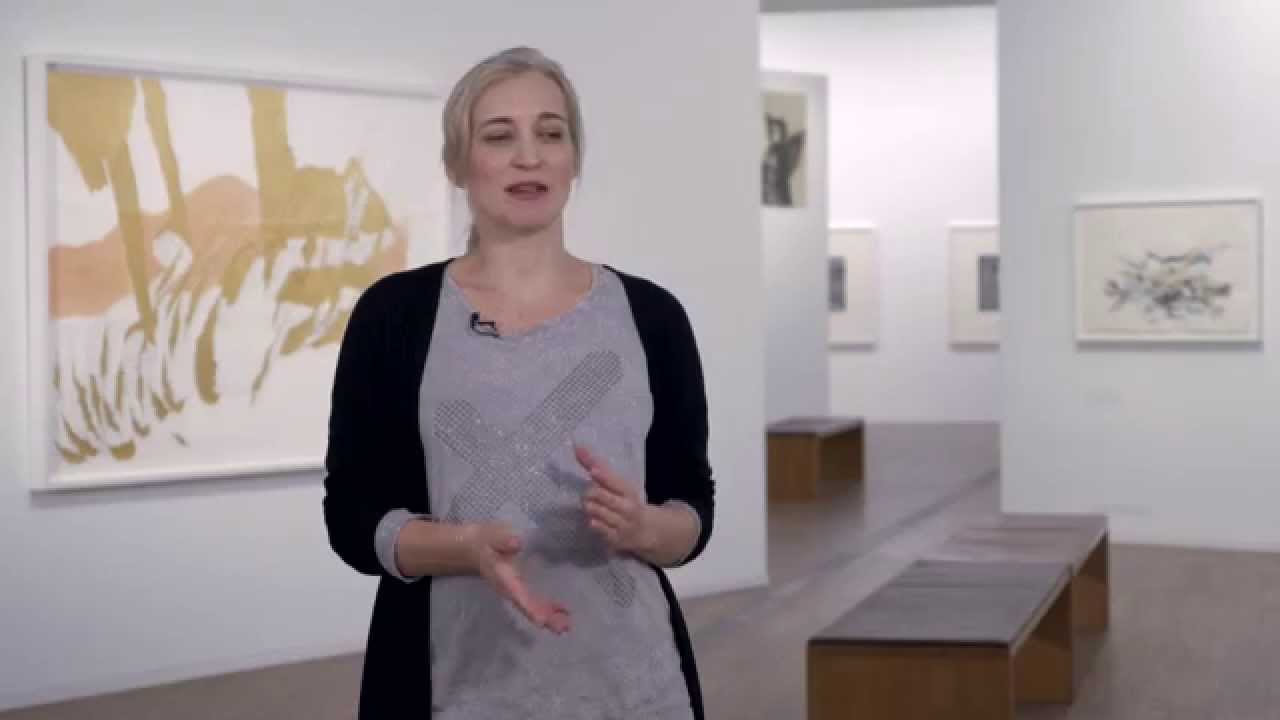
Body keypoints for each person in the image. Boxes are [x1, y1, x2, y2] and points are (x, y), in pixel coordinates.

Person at [322, 46, 715, 720]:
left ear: (574, 158)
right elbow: (352, 517)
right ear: (457, 163)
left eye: (551, 133)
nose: (529, 156)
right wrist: (463, 548)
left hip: (637, 690)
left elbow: (692, 510)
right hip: (454, 689)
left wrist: (644, 527)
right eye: (499, 136)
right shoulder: (395, 316)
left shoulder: (652, 316)